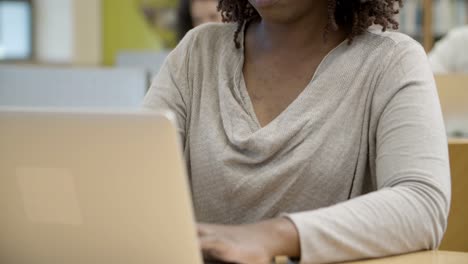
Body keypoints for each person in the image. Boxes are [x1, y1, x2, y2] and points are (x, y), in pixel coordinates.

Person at [144, 0, 451, 263]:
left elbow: (422, 203)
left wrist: (269, 236)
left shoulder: (391, 61)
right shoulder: (196, 52)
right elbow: (130, 181)